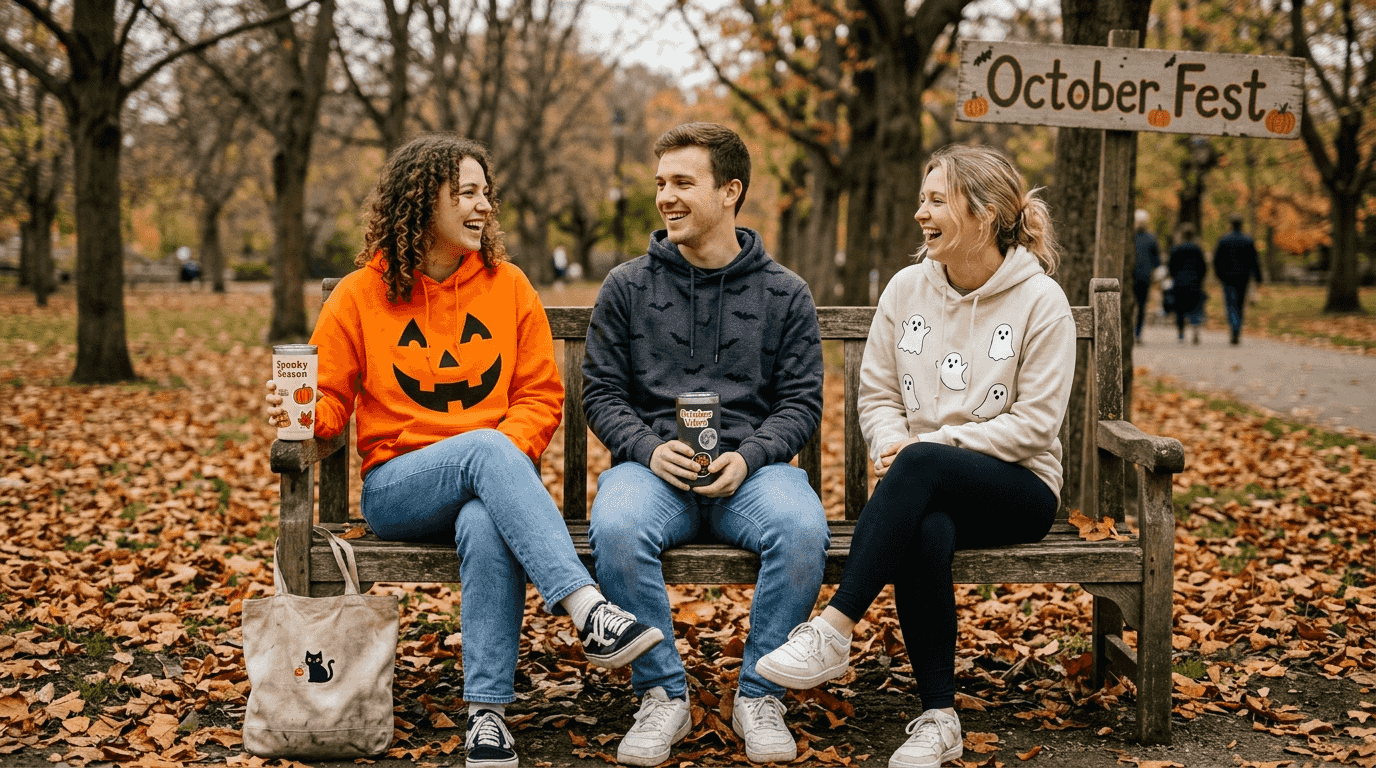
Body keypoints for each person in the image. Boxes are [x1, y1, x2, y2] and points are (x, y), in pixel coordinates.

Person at [263, 134, 660, 768]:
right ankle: (586, 608)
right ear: (422, 205)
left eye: (485, 194)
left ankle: (487, 717)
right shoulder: (361, 296)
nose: (483, 208)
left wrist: (503, 458)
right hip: (399, 488)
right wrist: (304, 416)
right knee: (483, 452)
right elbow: (332, 403)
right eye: (466, 194)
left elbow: (538, 396)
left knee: (484, 516)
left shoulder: (508, 288)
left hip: (489, 482)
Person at [754, 144, 1075, 768]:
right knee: (927, 528)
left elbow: (1035, 426)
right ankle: (939, 717)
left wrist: (927, 447)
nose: (921, 214)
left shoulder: (1041, 302)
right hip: (922, 483)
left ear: (984, 214)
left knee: (923, 466)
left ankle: (836, 628)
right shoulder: (906, 289)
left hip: (1019, 488)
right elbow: (876, 393)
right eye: (920, 200)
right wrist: (889, 443)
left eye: (936, 200)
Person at [581, 122, 829, 766]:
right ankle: (664, 694)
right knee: (615, 523)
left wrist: (749, 456)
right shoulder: (627, 287)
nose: (666, 196)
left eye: (683, 183)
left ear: (730, 191)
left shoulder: (785, 293)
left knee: (802, 527)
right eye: (661, 182)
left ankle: (761, 693)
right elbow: (601, 393)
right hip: (653, 469)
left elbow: (800, 402)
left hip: (752, 471)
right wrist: (644, 447)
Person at [1213, 213, 1263, 345]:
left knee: (1231, 304)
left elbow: (1217, 260)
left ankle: (1234, 328)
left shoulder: (1224, 240)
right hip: (1243, 277)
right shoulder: (1248, 240)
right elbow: (1254, 260)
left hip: (1228, 278)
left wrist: (1219, 275)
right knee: (1240, 304)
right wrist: (1258, 277)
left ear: (1231, 224)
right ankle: (1237, 329)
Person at [1168, 222, 1208, 345]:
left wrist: (1174, 277)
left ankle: (1181, 334)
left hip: (1179, 283)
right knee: (1195, 307)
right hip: (1195, 282)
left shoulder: (1176, 249)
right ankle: (1195, 328)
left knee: (1180, 308)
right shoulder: (1198, 249)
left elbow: (1171, 266)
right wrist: (1200, 279)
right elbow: (1203, 267)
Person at [1132, 209, 1161, 344]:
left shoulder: (1131, 237)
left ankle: (1135, 333)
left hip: (1135, 277)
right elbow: (1156, 259)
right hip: (1144, 276)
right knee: (1141, 306)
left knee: (1136, 306)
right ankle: (1137, 333)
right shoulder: (1151, 237)